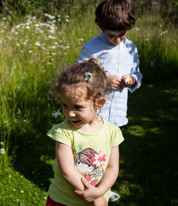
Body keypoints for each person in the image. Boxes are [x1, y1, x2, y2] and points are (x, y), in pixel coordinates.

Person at [77, 0, 143, 201]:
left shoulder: (131, 48)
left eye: (121, 35)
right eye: (111, 35)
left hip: (117, 112)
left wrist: (132, 79)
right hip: (96, 113)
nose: (116, 40)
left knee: (109, 154)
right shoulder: (92, 47)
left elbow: (137, 73)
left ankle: (104, 189)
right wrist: (103, 80)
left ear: (129, 28)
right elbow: (80, 74)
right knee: (91, 153)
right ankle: (86, 187)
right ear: (101, 27)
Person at [46, 58, 124, 206]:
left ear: (98, 103)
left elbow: (112, 168)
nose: (69, 113)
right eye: (65, 105)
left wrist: (100, 191)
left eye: (77, 107)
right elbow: (67, 172)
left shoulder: (112, 131)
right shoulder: (63, 132)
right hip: (64, 200)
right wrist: (95, 197)